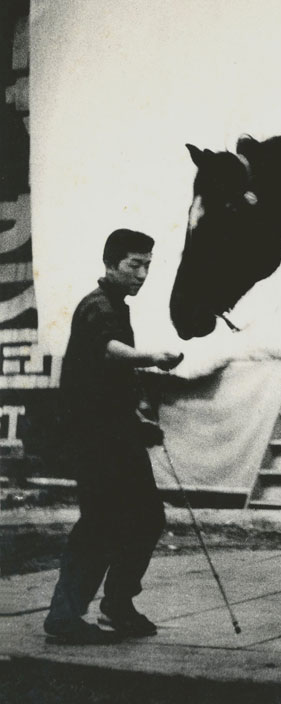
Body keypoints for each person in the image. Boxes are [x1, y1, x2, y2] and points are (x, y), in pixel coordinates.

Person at [44, 229, 183, 645]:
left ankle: (118, 604)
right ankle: (64, 617)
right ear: (110, 264)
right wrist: (153, 357)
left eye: (147, 266)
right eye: (134, 265)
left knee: (147, 517)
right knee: (101, 522)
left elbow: (109, 375)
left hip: (118, 433)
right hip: (94, 437)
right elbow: (108, 350)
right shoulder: (98, 305)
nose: (142, 274)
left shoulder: (117, 305)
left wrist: (136, 417)